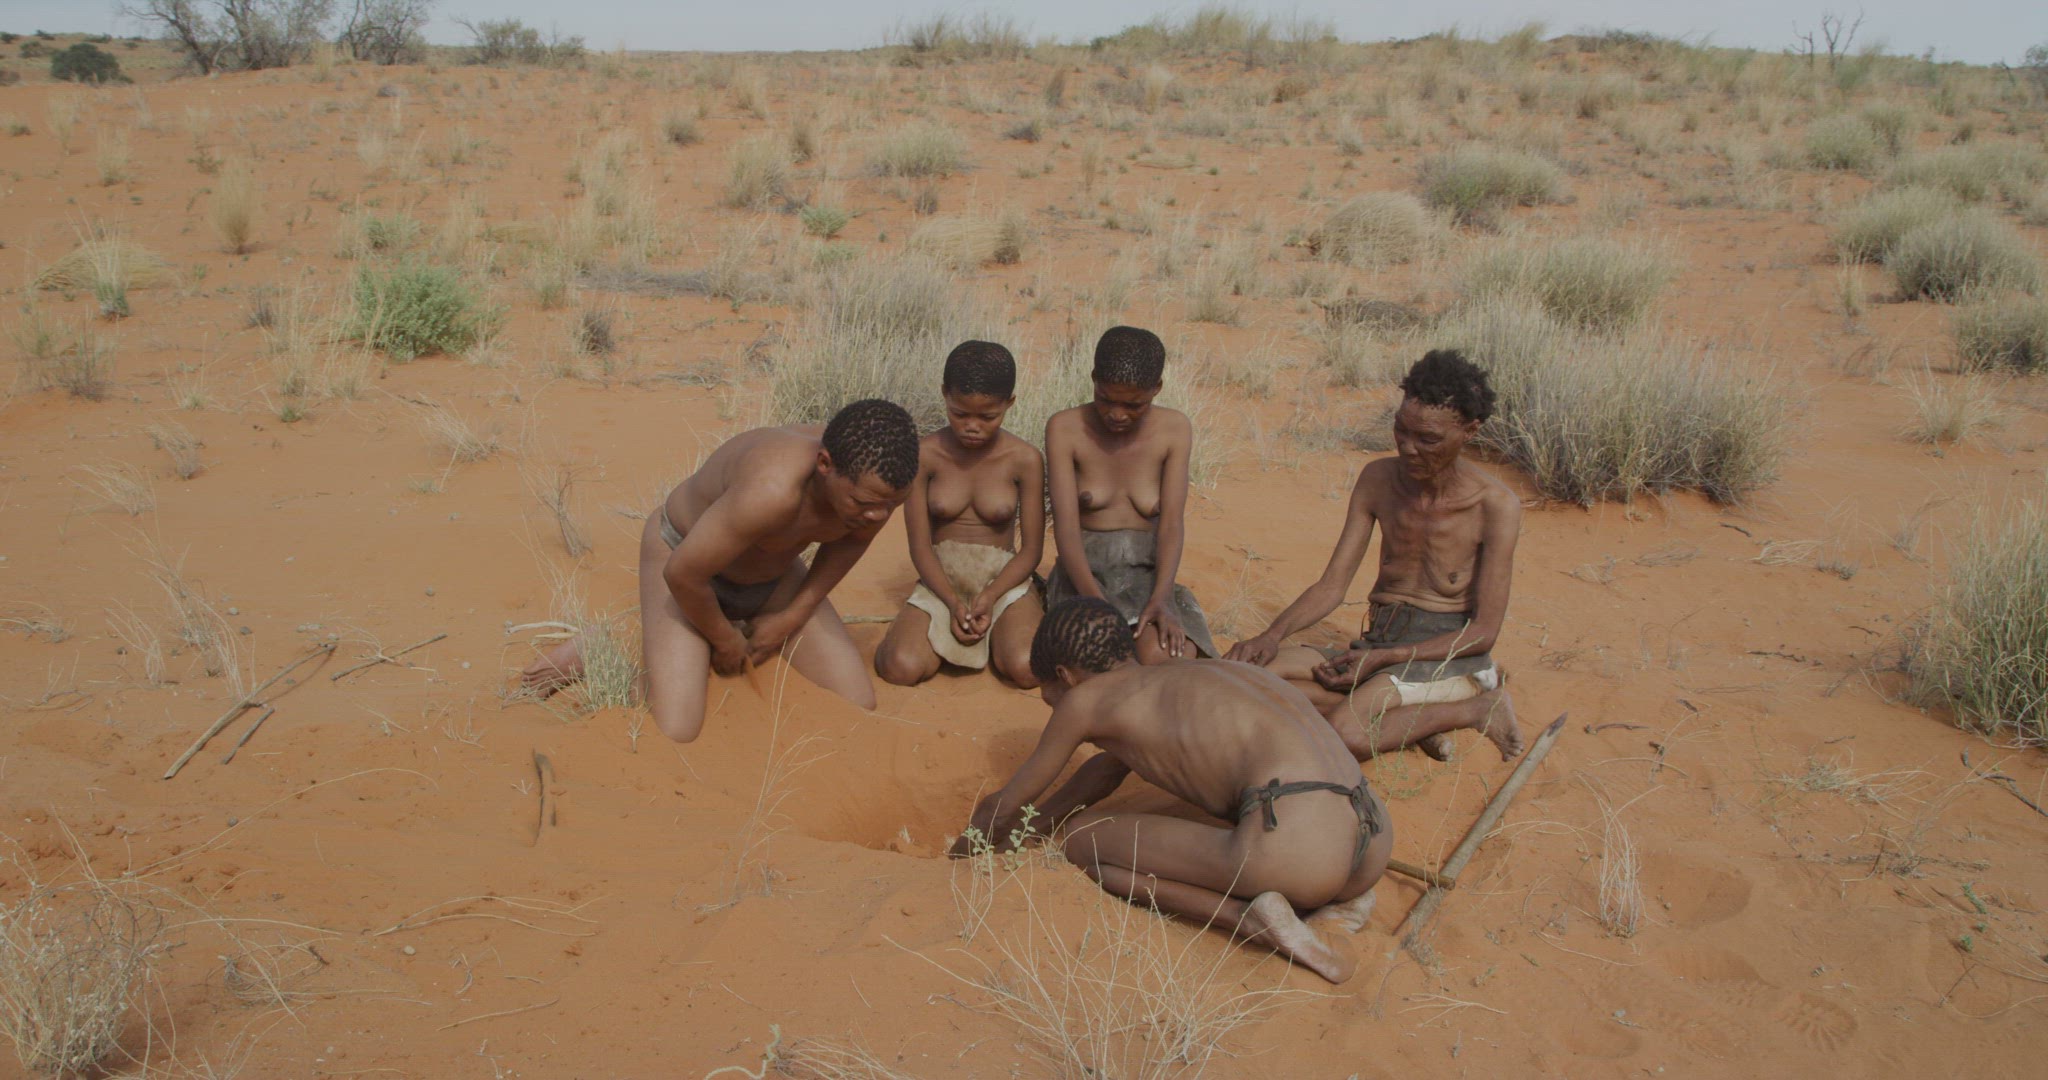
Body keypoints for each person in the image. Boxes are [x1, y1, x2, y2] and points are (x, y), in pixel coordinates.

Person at [951, 598, 1390, 984]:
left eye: (1049, 695)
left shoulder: (1087, 699)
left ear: (1064, 676)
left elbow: (1002, 807)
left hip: (1296, 851)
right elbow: (1103, 772)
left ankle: (1248, 918)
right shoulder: (1181, 679)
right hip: (1369, 837)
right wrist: (1029, 833)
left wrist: (961, 856)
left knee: (1083, 839)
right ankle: (1336, 907)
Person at [520, 399, 920, 742]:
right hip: (685, 561)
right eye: (864, 504)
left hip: (772, 572)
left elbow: (850, 543)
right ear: (824, 464)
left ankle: (701, 640)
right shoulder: (772, 490)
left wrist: (790, 617)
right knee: (676, 728)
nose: (878, 516)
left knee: (856, 700)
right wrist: (725, 640)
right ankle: (602, 651)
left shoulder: (877, 485)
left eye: (891, 505)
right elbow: (683, 574)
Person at [1225, 350, 1524, 763]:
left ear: (1470, 431)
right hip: (1379, 642)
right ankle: (1410, 719)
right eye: (1401, 430)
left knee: (1346, 734)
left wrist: (1383, 659)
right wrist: (1272, 636)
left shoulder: (1495, 506)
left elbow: (1482, 633)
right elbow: (1332, 586)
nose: (1408, 448)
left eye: (1428, 439)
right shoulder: (1378, 479)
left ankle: (1476, 708)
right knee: (1245, 679)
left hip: (1446, 659)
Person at [875, 342, 1046, 688]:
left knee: (1027, 667)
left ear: (1009, 403)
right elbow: (920, 547)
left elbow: (1031, 551)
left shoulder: (1024, 459)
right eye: (959, 413)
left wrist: (991, 595)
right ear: (944, 395)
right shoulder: (925, 455)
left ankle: (1014, 620)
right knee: (900, 667)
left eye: (988, 417)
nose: (972, 426)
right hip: (942, 579)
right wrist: (951, 601)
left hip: (1003, 579)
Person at [1043, 326, 1216, 664]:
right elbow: (1066, 528)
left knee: (1165, 658)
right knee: (1102, 661)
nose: (1117, 414)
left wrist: (1163, 597)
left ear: (1157, 389)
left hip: (1148, 575)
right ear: (1093, 379)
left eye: (1134, 405)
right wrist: (1096, 603)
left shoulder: (1174, 430)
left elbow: (1171, 525)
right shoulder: (1065, 428)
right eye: (1105, 399)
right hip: (1083, 576)